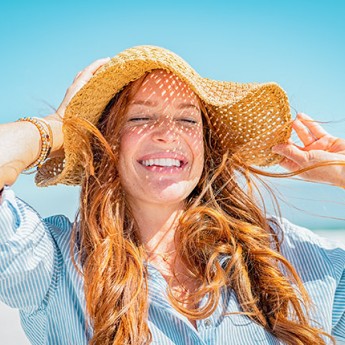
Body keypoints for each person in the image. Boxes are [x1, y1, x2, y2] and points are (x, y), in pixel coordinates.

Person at [0, 45, 344, 345]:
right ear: (108, 144)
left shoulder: (281, 255)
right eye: (141, 117)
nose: (167, 133)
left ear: (206, 148)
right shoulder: (57, 265)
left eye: (187, 120)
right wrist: (57, 126)